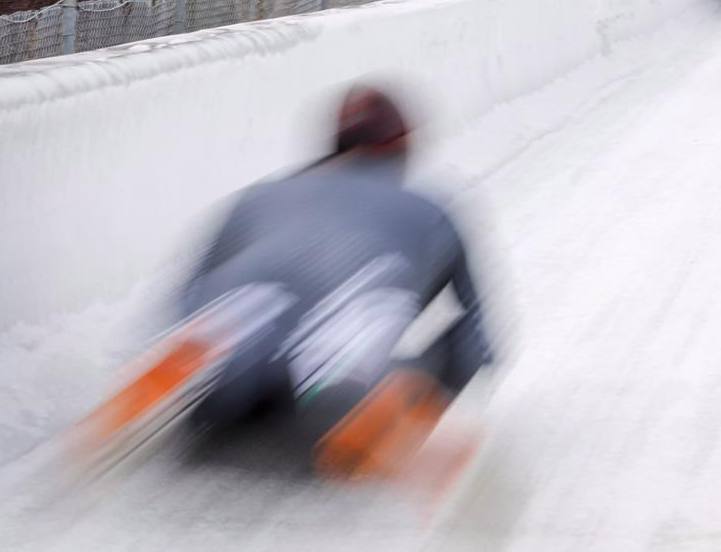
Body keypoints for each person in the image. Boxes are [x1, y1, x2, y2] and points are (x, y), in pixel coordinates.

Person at [179, 85, 494, 477]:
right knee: (433, 330)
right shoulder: (430, 211)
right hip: (335, 380)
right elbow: (481, 333)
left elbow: (190, 285)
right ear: (402, 148)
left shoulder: (259, 197)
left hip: (236, 362)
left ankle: (213, 390)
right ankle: (381, 407)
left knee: (238, 322)